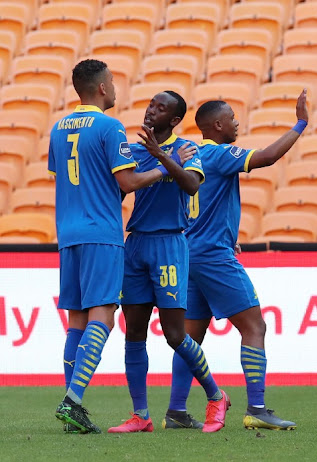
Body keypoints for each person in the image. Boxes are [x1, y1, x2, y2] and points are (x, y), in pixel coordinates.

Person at [165, 89, 309, 431]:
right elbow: (268, 156)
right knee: (254, 327)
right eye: (231, 118)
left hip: (189, 255)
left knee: (190, 338)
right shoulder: (218, 154)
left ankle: (176, 411)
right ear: (217, 125)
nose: (236, 123)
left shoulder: (192, 154)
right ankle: (257, 408)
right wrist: (301, 124)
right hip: (214, 256)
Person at [49, 59, 174, 434]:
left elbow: (68, 177)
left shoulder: (58, 128)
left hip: (67, 233)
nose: (116, 88)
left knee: (76, 321)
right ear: (102, 88)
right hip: (101, 232)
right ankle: (72, 401)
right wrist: (168, 167)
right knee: (102, 315)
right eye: (113, 82)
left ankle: (73, 406)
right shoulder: (109, 126)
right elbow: (130, 181)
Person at [108, 91, 230, 434]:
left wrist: (162, 156)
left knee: (176, 335)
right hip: (136, 245)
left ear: (174, 120)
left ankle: (216, 395)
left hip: (170, 244)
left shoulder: (186, 149)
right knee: (133, 332)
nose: (151, 110)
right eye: (150, 104)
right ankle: (141, 415)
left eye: (161, 108)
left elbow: (192, 185)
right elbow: (120, 188)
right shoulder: (131, 151)